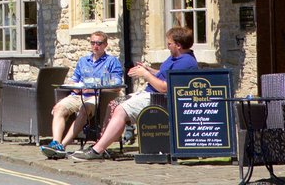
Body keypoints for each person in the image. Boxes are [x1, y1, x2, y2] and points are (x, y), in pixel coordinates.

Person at [70, 26, 198, 162]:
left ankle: (97, 150)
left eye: (170, 43)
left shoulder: (185, 62)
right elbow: (164, 75)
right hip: (150, 94)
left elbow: (164, 88)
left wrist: (146, 75)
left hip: (160, 99)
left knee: (120, 110)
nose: (168, 46)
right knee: (113, 104)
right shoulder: (175, 57)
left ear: (178, 45)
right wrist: (149, 70)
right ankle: (101, 145)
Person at [41, 31, 123, 159]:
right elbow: (75, 80)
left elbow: (117, 84)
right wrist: (75, 85)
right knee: (59, 108)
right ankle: (55, 143)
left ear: (105, 45)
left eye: (99, 43)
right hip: (78, 95)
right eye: (93, 43)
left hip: (97, 97)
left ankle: (62, 146)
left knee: (84, 110)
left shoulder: (112, 62)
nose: (95, 46)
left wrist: (95, 84)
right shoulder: (83, 61)